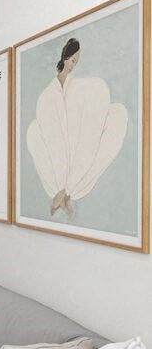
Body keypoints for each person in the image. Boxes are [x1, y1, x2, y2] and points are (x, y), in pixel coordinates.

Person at [25, 38, 127, 218]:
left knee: (117, 114)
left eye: (76, 63)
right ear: (65, 58)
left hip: (76, 172)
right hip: (60, 170)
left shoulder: (80, 89)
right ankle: (64, 192)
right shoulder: (47, 96)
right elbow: (53, 139)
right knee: (33, 132)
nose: (73, 66)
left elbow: (83, 134)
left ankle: (66, 192)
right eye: (73, 61)